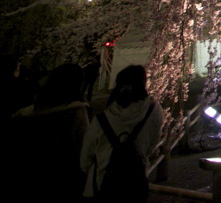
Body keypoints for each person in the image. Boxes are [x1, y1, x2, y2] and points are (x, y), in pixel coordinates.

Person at [81, 64, 163, 201]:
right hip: (135, 184)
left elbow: (85, 160)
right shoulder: (154, 111)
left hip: (102, 185)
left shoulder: (101, 119)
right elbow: (152, 145)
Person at [10, 63, 91, 201]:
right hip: (63, 178)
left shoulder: (27, 113)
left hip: (31, 174)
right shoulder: (76, 113)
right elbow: (82, 149)